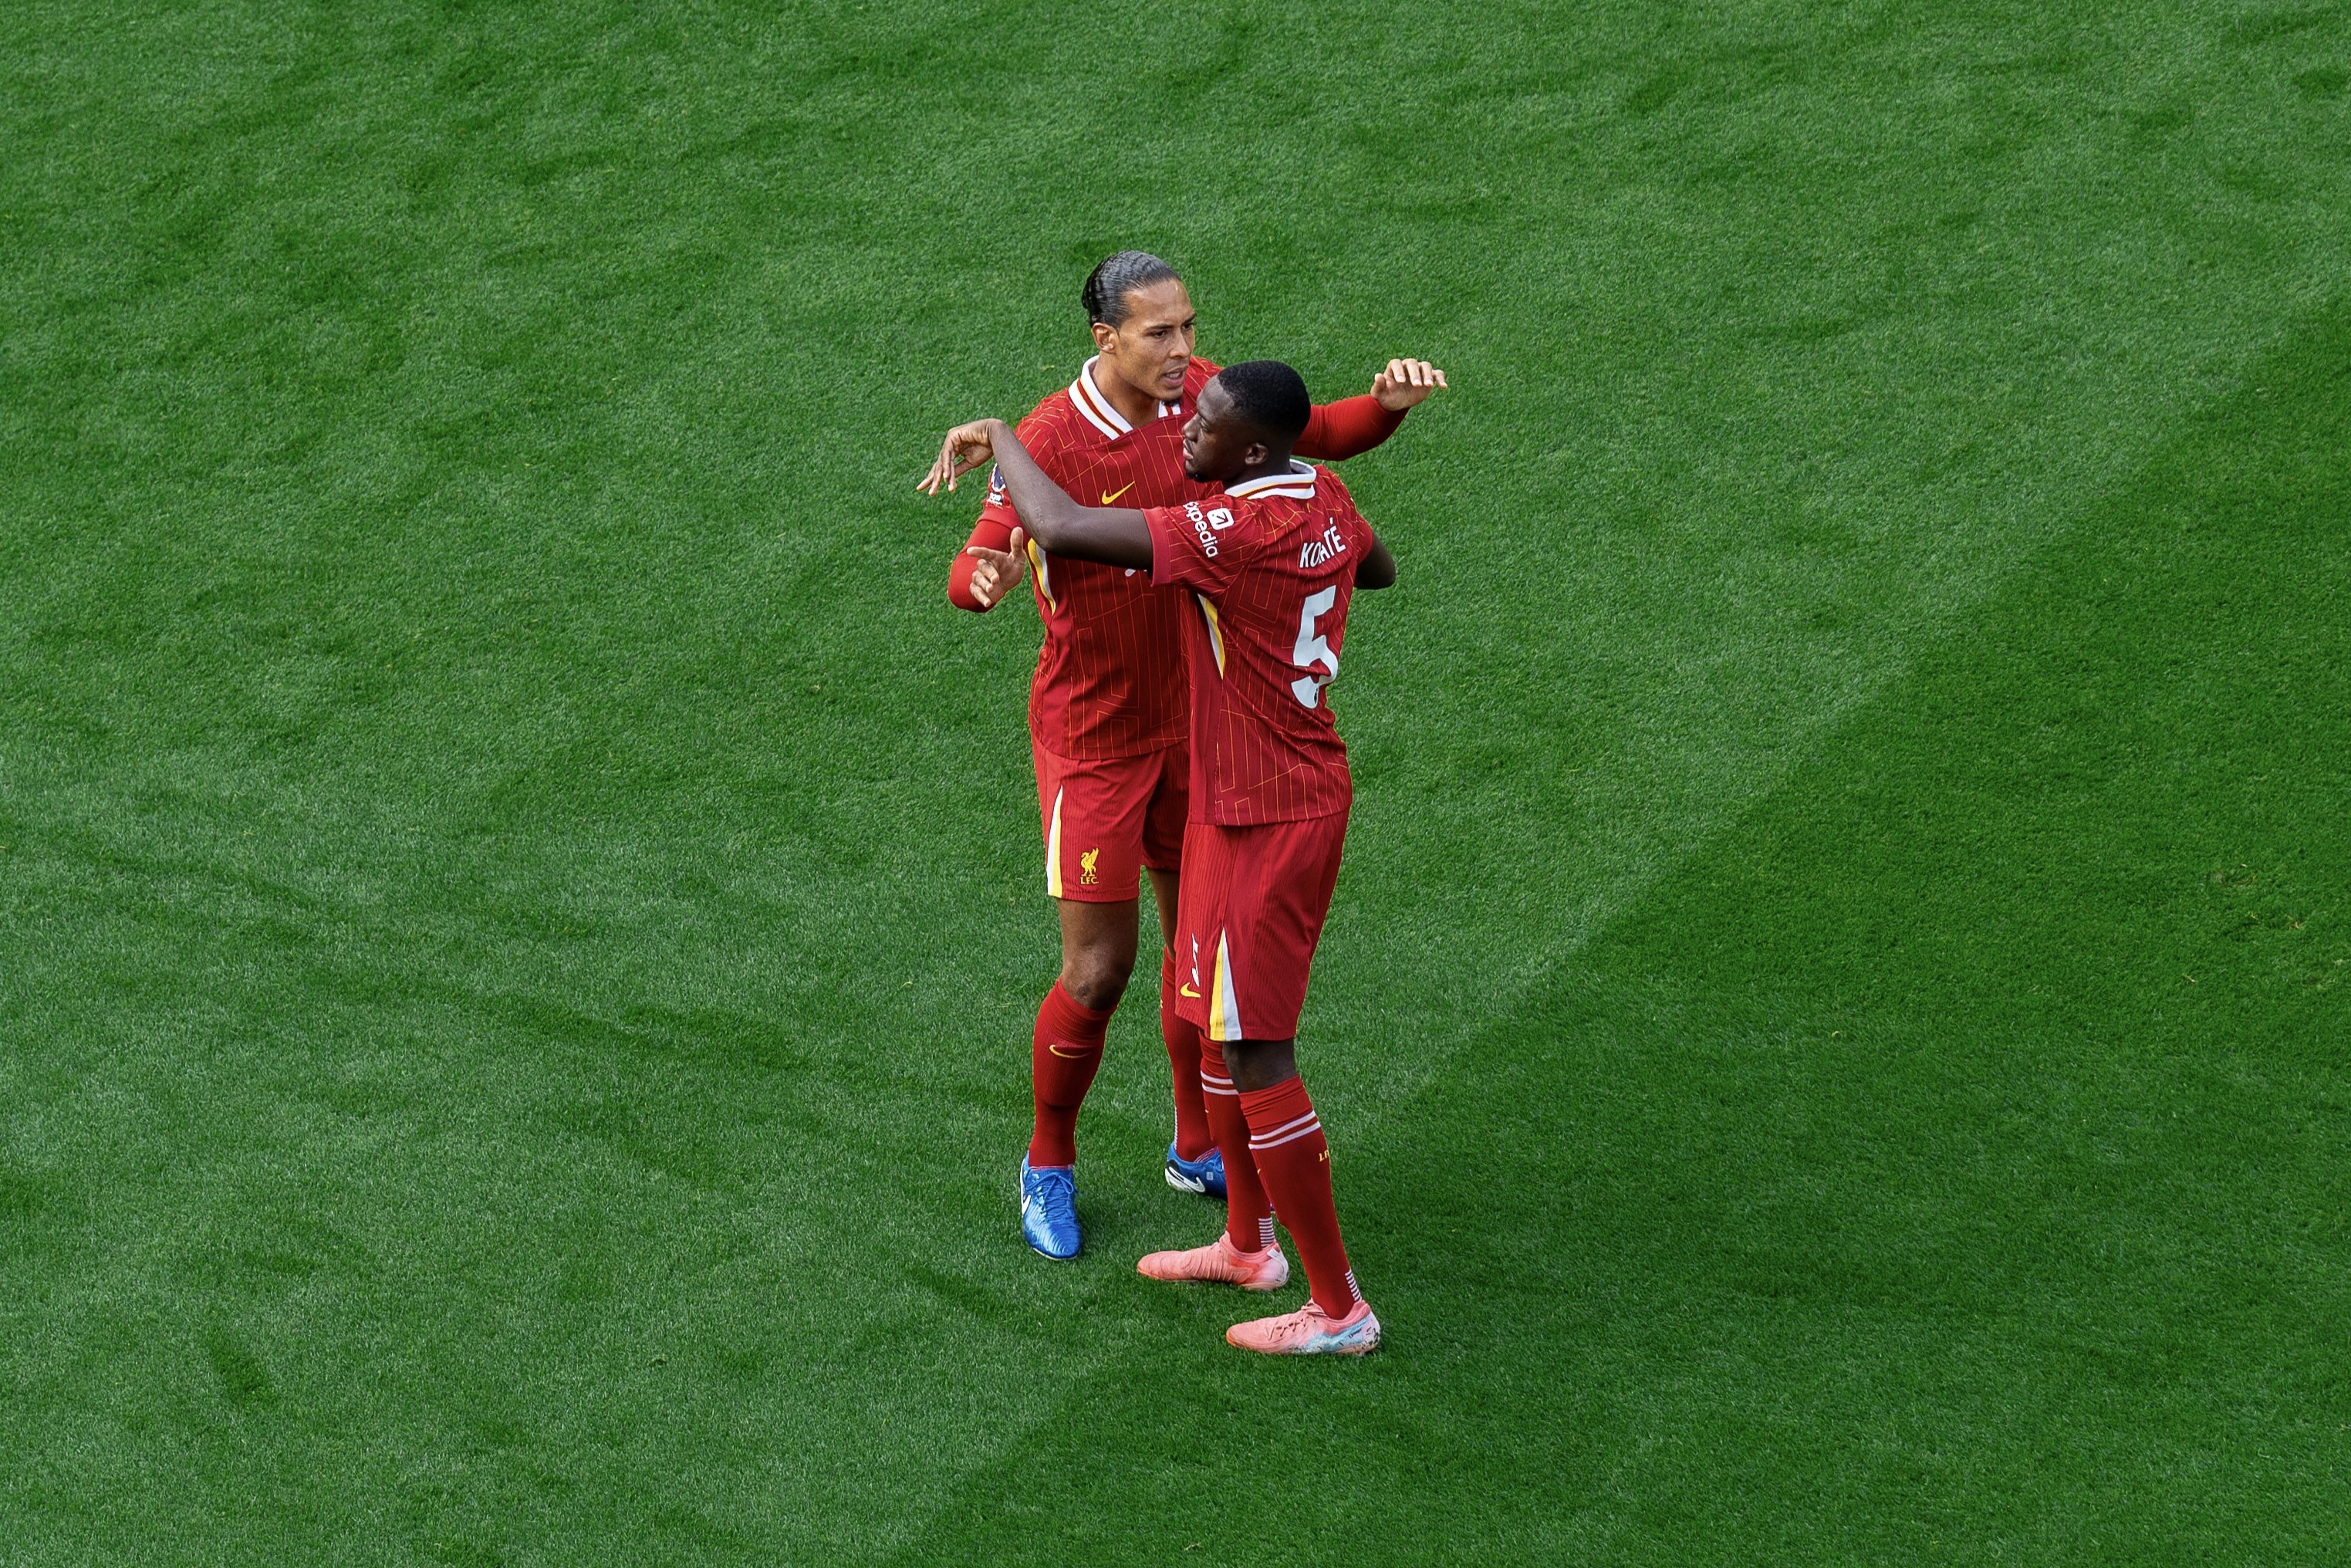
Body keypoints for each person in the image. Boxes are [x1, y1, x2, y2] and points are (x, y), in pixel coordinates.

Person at [916, 251, 1443, 1262]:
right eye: (1160, 332)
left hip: (1203, 736)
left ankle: (1195, 1145)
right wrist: (982, 575)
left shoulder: (1201, 399)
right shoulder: (1052, 437)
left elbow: (1322, 434)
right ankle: (1048, 1161)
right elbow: (986, 548)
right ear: (1105, 338)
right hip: (1097, 741)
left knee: (1200, 964)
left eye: (1189, 326)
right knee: (1100, 969)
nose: (1184, 350)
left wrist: (1386, 407)